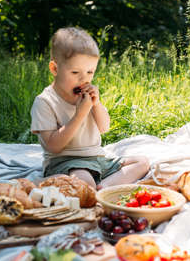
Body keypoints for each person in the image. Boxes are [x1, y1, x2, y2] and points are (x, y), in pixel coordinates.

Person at [31, 27, 149, 190]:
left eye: (90, 72)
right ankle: (45, 183)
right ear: (55, 69)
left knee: (142, 162)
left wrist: (96, 104)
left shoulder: (87, 97)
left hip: (97, 159)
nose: (83, 78)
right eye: (75, 72)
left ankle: (103, 187)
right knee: (84, 181)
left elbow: (104, 128)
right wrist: (80, 114)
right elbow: (53, 146)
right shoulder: (45, 101)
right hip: (66, 162)